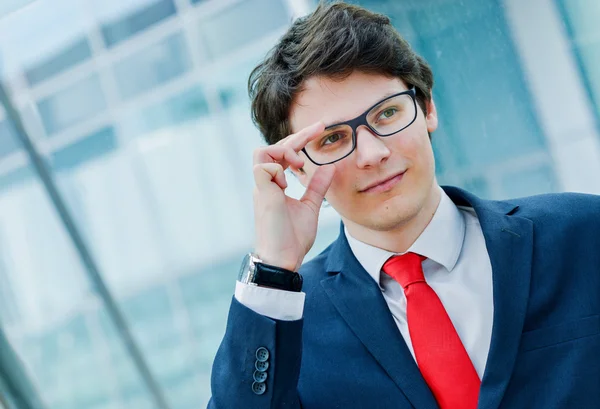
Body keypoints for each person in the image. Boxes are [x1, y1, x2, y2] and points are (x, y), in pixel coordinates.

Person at [208, 2, 600, 408]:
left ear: (427, 107)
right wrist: (273, 266)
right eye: (332, 139)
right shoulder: (289, 323)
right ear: (298, 169)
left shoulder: (583, 233)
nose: (373, 153)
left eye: (388, 113)